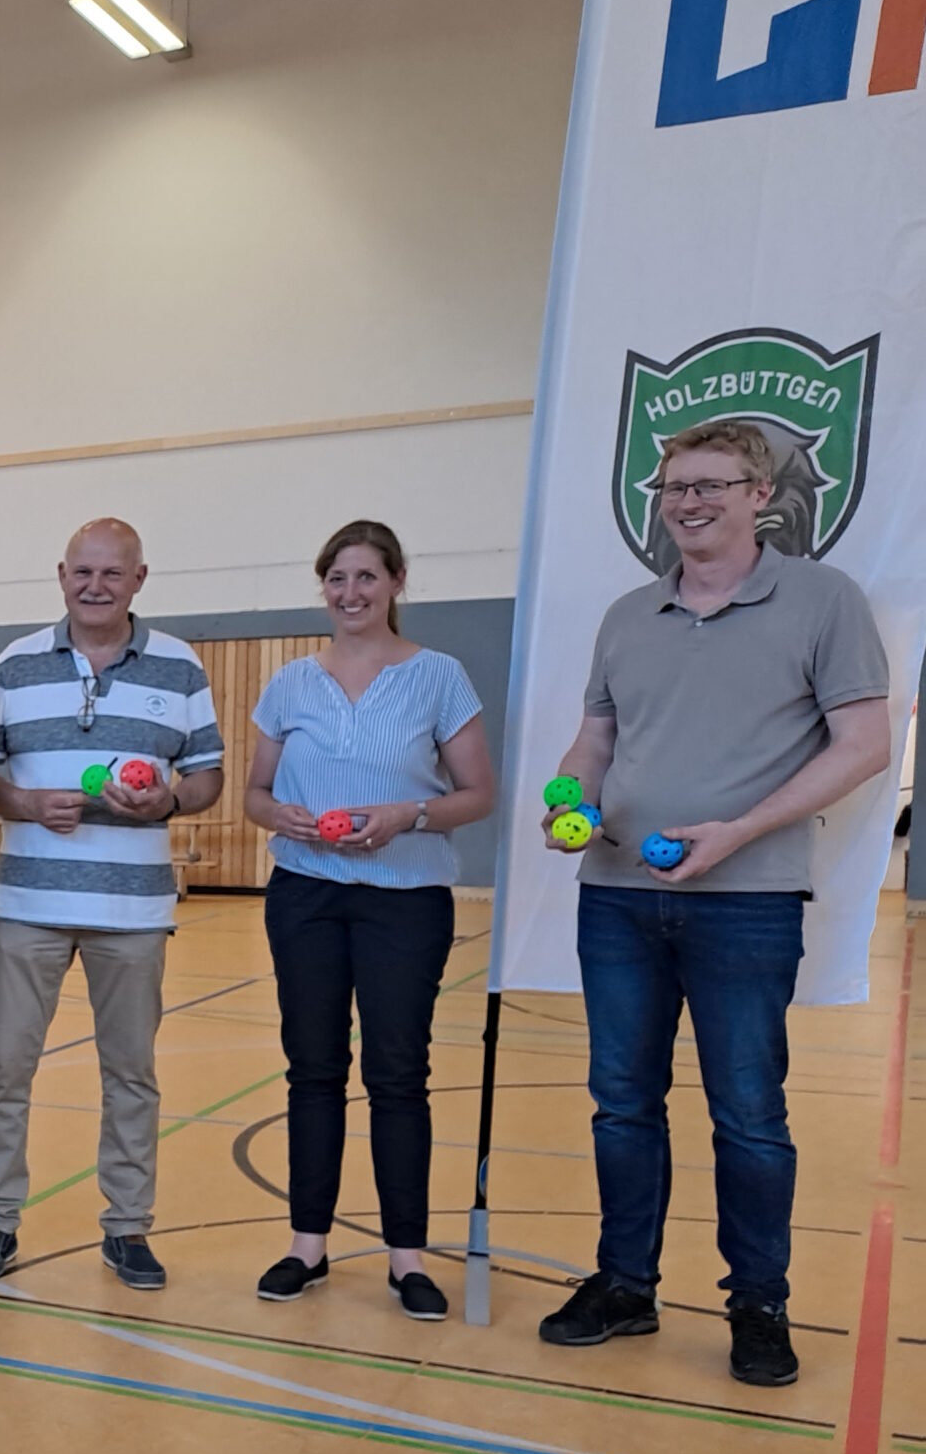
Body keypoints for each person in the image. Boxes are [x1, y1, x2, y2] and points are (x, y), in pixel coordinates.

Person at [536, 417, 889, 1386]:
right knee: (621, 1104)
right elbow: (594, 742)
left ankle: (758, 1303)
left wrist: (736, 832)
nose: (687, 503)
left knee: (748, 1114)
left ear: (759, 496)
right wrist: (569, 804)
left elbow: (865, 746)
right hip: (616, 897)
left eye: (710, 485)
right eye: (674, 487)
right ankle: (624, 1285)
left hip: (747, 901)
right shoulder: (627, 615)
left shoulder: (822, 599)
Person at [0, 518, 225, 1293]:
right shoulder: (14, 665)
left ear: (138, 579)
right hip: (28, 904)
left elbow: (207, 776)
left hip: (134, 913)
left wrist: (167, 801)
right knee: (5, 1068)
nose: (96, 585)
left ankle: (128, 1228)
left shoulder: (179, 665)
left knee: (131, 1075)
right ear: (62, 575)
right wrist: (25, 802)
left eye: (113, 573)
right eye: (83, 571)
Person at [243, 520, 493, 1320]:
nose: (350, 593)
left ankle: (406, 1258)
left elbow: (477, 794)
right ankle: (306, 1245)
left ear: (395, 582)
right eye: (337, 579)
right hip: (305, 896)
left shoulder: (439, 676)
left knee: (398, 1073)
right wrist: (281, 817)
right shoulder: (290, 683)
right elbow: (255, 795)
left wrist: (405, 815)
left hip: (405, 901)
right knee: (312, 1068)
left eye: (365, 577)